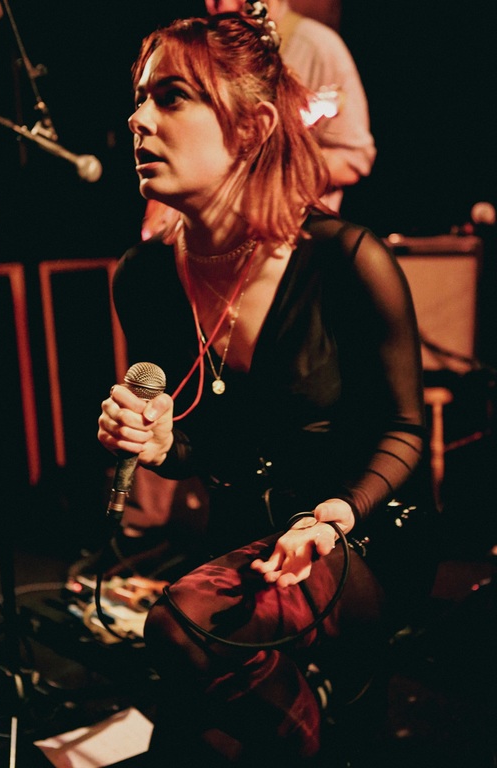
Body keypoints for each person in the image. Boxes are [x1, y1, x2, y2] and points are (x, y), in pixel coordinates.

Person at [97, 6, 438, 766]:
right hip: (249, 529)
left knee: (182, 628)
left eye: (170, 97)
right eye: (139, 97)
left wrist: (334, 517)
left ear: (249, 129)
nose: (137, 118)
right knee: (191, 737)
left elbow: (405, 433)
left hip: (364, 528)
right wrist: (160, 443)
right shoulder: (143, 278)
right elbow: (201, 443)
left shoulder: (347, 262)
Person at [141, 0, 376, 237]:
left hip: (286, 240)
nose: (212, 3)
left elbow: (353, 159)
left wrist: (270, 168)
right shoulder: (205, 46)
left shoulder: (317, 46)